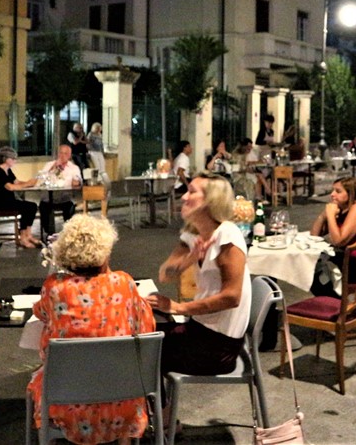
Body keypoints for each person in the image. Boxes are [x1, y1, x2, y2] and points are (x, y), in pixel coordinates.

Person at [27, 214, 155, 445]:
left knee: (39, 377)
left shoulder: (54, 287)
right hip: (124, 401)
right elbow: (146, 326)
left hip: (66, 404)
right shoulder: (124, 283)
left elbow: (41, 313)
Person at [147, 172, 252, 416]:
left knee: (143, 351)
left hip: (218, 347)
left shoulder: (227, 235)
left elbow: (232, 297)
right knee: (144, 336)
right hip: (200, 332)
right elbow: (165, 274)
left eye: (192, 192)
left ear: (211, 201)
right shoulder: (193, 234)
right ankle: (157, 417)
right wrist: (190, 258)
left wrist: (179, 307)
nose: (184, 197)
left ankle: (161, 420)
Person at [309, 176, 356, 297]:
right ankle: (337, 305)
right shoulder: (342, 210)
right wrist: (323, 215)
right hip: (352, 260)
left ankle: (338, 306)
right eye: (333, 190)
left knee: (316, 271)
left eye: (338, 191)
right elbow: (314, 236)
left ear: (350, 194)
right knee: (311, 268)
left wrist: (330, 216)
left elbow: (339, 241)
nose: (332, 194)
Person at [0, 147, 40, 248]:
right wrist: (27, 184)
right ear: (6, 159)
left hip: (7, 201)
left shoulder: (8, 171)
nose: (15, 161)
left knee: (32, 206)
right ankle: (23, 237)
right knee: (28, 207)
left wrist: (30, 182)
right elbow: (10, 187)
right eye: (13, 158)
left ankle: (28, 234)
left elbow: (17, 182)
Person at [38, 144, 82, 237]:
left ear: (69, 155)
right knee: (44, 208)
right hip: (48, 199)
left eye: (65, 154)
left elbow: (77, 182)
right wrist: (53, 168)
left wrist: (76, 182)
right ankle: (49, 234)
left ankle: (69, 234)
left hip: (65, 198)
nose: (62, 156)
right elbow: (41, 179)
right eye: (61, 153)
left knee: (70, 208)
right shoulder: (49, 165)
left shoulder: (74, 168)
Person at [87, 122, 110, 186]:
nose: (99, 130)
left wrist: (103, 151)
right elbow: (88, 143)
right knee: (97, 166)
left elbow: (101, 144)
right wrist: (89, 150)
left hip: (99, 151)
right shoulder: (91, 134)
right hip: (93, 151)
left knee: (102, 165)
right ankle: (98, 180)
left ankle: (103, 179)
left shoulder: (100, 135)